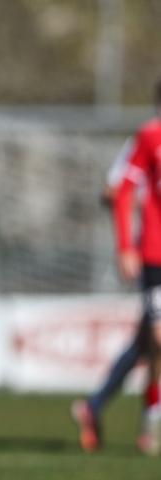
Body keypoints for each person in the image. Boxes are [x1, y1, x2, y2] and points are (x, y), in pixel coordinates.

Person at [71, 137, 146, 452]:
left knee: (147, 341)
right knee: (153, 339)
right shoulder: (146, 141)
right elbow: (112, 192)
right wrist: (147, 201)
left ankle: (96, 406)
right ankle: (149, 426)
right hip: (153, 255)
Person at [105, 79, 161, 456]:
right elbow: (122, 189)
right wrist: (126, 246)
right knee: (158, 340)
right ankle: (152, 416)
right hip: (155, 255)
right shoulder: (150, 136)